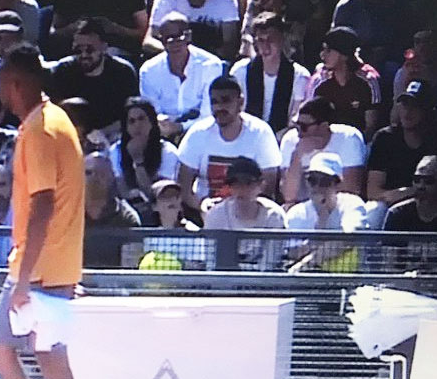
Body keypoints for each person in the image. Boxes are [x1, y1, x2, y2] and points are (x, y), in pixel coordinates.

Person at [0, 43, 89, 379]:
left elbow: (43, 203)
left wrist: (24, 279)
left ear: (15, 84)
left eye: (0, 85)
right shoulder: (47, 121)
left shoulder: (41, 129)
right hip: (39, 264)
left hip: (45, 269)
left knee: (51, 360)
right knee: (0, 346)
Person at [176, 75, 282, 216]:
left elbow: (268, 187)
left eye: (225, 100)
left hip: (251, 215)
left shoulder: (261, 133)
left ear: (241, 103)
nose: (219, 107)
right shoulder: (197, 133)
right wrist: (201, 204)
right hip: (204, 215)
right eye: (214, 102)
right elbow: (183, 184)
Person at [365, 80, 437, 212]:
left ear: (428, 109)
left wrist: (413, 192)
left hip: (434, 204)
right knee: (374, 209)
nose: (408, 111)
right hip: (393, 205)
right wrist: (396, 195)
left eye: (415, 105)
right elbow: (373, 191)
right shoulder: (384, 138)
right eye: (404, 104)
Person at [46, 17, 139, 138]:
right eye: (78, 50)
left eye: (90, 50)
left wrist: (101, 134)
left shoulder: (123, 72)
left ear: (104, 48)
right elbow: (53, 112)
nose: (84, 55)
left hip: (113, 136)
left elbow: (131, 115)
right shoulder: (62, 71)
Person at [138, 12, 223, 140]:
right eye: (169, 39)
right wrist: (162, 123)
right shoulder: (148, 71)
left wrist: (180, 127)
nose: (176, 43)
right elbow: (151, 113)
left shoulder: (211, 65)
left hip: (203, 134)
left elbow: (209, 115)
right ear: (161, 41)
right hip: (161, 135)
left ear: (189, 37)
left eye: (181, 36)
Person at [284, 152, 369, 274]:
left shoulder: (352, 203)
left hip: (349, 279)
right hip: (305, 282)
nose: (317, 187)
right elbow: (293, 253)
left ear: (337, 183)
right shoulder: (296, 213)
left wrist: (307, 262)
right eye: (312, 180)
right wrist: (321, 223)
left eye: (324, 181)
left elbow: (348, 239)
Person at [229, 12, 310, 135]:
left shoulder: (299, 76)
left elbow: (295, 118)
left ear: (282, 39)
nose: (265, 46)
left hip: (281, 138)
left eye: (271, 40)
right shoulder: (240, 71)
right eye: (261, 40)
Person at [279, 96, 366, 202]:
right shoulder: (290, 140)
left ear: (324, 125)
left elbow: (351, 189)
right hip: (301, 206)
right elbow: (288, 196)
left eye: (304, 126)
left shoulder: (348, 138)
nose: (299, 133)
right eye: (297, 125)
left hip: (338, 205)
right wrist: (297, 157)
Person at [111, 97, 181, 224]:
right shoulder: (115, 151)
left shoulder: (168, 151)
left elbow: (158, 196)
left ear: (152, 122)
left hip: (160, 214)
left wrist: (138, 161)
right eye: (131, 121)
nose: (137, 125)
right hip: (127, 214)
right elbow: (121, 190)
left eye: (142, 119)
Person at [306, 26, 381, 138]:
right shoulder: (319, 81)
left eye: (328, 51)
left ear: (344, 55)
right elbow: (310, 119)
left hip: (358, 142)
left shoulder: (368, 81)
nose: (322, 55)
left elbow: (370, 127)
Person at [83, 149, 141, 268]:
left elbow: (130, 267)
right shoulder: (66, 213)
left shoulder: (127, 218)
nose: (95, 179)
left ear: (111, 178)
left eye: (102, 174)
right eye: (88, 173)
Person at [45, 0, 148, 60]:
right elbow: (54, 32)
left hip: (117, 52)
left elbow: (143, 33)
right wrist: (74, 28)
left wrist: (115, 29)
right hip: (75, 53)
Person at [145, 0, 242, 59]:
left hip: (212, 62)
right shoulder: (165, 0)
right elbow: (149, 42)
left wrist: (200, 59)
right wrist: (176, 51)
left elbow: (230, 44)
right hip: (170, 60)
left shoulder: (226, 1)